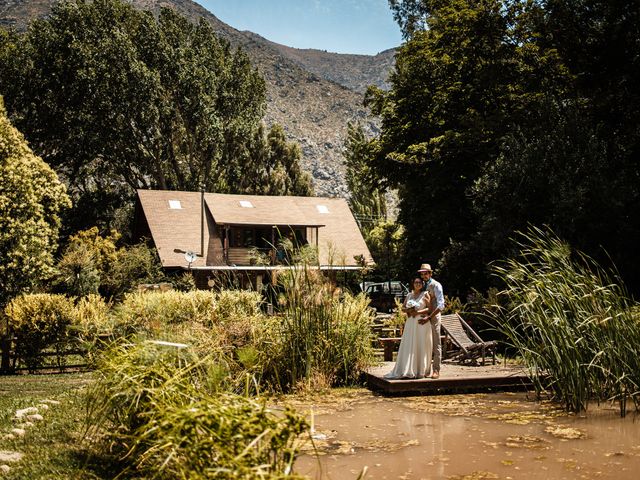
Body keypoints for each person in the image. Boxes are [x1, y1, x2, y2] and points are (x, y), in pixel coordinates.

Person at [384, 276, 433, 379]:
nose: (418, 284)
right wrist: (409, 310)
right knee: (410, 345)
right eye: (416, 282)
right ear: (413, 284)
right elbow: (403, 308)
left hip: (421, 323)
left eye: (420, 282)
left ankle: (420, 370)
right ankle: (408, 368)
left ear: (422, 284)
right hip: (411, 323)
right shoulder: (409, 295)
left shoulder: (425, 294)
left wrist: (417, 312)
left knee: (420, 345)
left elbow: (430, 308)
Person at [418, 263, 445, 379]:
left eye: (425, 273)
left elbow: (441, 306)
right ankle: (425, 369)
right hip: (422, 318)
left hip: (433, 317)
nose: (423, 276)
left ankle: (436, 370)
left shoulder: (436, 285)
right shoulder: (420, 285)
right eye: (422, 274)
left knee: (436, 344)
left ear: (430, 273)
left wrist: (429, 317)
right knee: (424, 344)